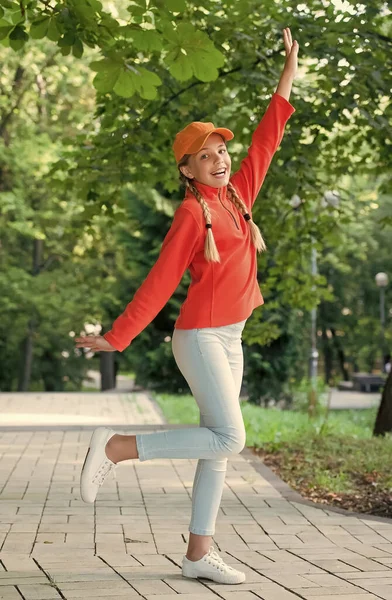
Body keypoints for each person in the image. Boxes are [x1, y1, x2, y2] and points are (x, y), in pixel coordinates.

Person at [76, 27, 298, 585]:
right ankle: (117, 447)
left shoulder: (239, 195)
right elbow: (161, 279)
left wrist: (287, 75)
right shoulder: (191, 214)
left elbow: (266, 141)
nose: (220, 159)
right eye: (207, 155)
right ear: (188, 169)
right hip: (200, 336)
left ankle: (198, 554)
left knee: (217, 446)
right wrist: (119, 337)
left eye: (221, 150)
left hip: (231, 335)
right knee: (231, 436)